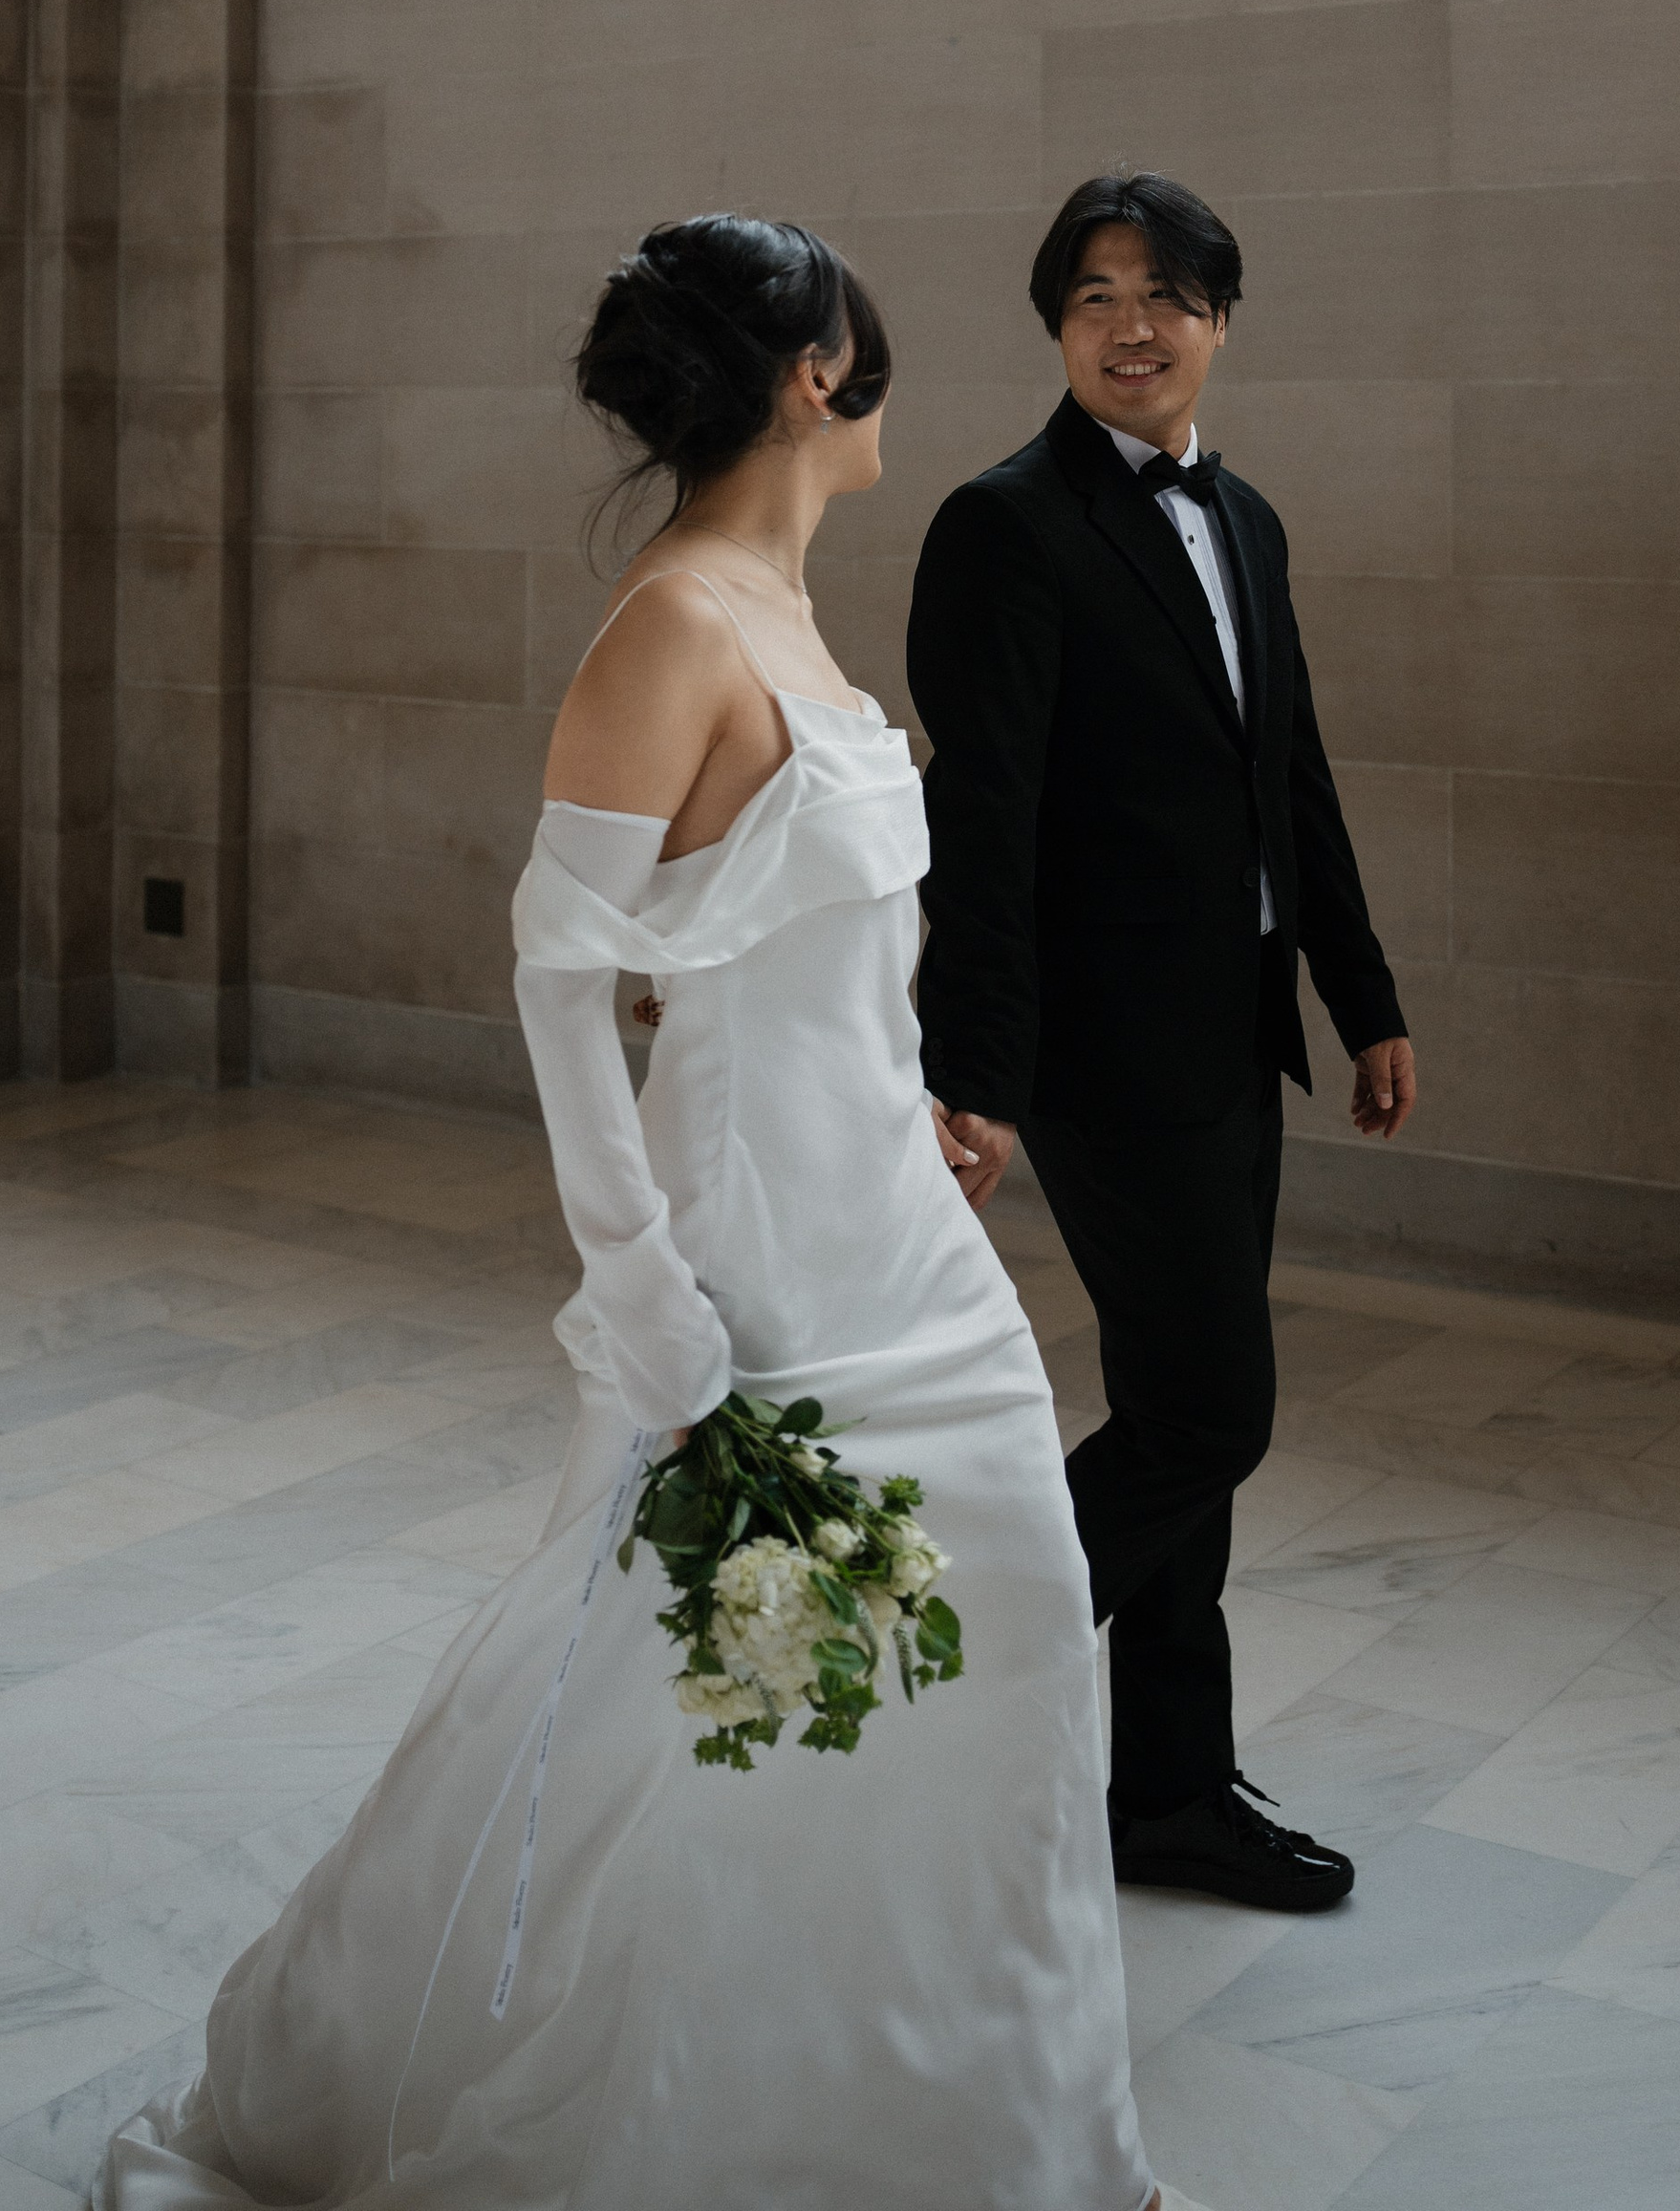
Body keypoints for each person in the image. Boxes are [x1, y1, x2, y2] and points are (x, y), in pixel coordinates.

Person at [97, 216, 1202, 2211]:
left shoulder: (787, 612)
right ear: (813, 374)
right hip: (755, 1274)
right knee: (702, 1712)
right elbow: (558, 992)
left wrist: (923, 1098)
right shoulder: (672, 626)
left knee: (1005, 1659)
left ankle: (981, 2142)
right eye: (869, 331)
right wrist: (654, 1310)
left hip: (905, 1243)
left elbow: (780, 941)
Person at [907, 171, 1417, 1917]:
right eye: (1097, 297)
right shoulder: (1006, 525)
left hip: (1239, 1041)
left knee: (1175, 1408)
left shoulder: (1247, 521)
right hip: (1101, 1057)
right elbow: (980, 823)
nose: (1133, 326)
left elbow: (1296, 779)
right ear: (1059, 328)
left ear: (1219, 322)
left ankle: (1170, 1791)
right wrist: (967, 1073)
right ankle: (937, 1680)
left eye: (1167, 296)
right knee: (1210, 1411)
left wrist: (1367, 1001)